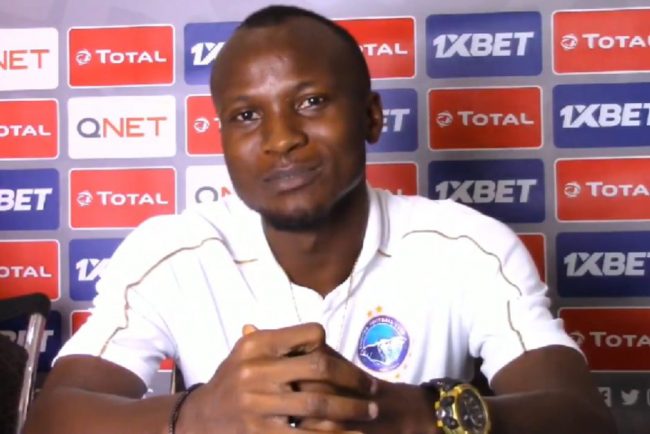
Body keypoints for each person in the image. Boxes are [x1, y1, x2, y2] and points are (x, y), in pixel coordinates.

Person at [25, 5, 616, 434]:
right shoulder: (172, 250)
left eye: (310, 102)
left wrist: (414, 414)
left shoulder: (468, 245)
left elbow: (582, 417)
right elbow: (51, 418)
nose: (281, 139)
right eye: (247, 115)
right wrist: (197, 416)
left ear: (371, 117)